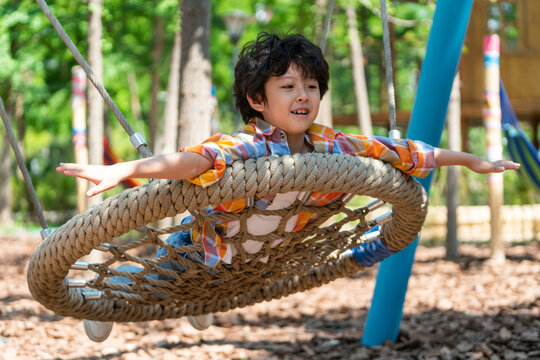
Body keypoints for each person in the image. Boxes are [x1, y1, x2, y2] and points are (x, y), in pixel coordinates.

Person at [57, 32, 519, 342]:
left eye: (312, 85)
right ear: (257, 100)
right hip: (202, 245)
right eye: (288, 85)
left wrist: (474, 161)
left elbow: (410, 153)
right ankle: (110, 292)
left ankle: (196, 298)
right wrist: (125, 169)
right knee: (156, 284)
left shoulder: (334, 146)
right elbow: (198, 159)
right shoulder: (249, 146)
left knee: (208, 287)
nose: (303, 95)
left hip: (256, 256)